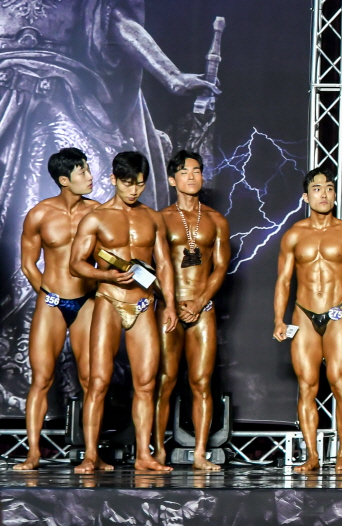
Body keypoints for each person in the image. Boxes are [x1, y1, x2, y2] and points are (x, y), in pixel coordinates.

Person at [0, 0, 216, 409]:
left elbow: (118, 23)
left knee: (93, 188)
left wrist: (173, 77)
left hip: (63, 88)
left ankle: (79, 351)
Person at [68, 151, 179, 473]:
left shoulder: (153, 218)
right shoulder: (96, 217)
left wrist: (170, 304)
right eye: (128, 184)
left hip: (143, 303)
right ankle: (91, 456)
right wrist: (108, 276)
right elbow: (75, 265)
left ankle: (144, 455)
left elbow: (164, 265)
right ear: (113, 179)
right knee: (98, 381)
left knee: (146, 383)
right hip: (108, 300)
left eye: (140, 184)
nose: (134, 191)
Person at [272, 165, 342, 473]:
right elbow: (283, 281)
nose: (324, 194)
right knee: (307, 386)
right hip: (303, 315)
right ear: (306, 197)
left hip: (337, 313)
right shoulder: (294, 235)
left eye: (329, 189)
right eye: (317, 189)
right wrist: (278, 319)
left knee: (340, 382)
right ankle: (312, 456)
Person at [16, 149, 97, 471]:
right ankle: (33, 453)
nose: (89, 177)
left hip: (87, 301)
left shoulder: (97, 212)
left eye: (88, 170)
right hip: (51, 302)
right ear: (64, 180)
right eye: (82, 172)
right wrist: (48, 294)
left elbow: (108, 258)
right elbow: (28, 264)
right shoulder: (40, 214)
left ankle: (92, 454)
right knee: (42, 378)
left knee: (91, 379)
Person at [152, 150, 230, 470]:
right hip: (168, 309)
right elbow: (153, 268)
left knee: (201, 382)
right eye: (184, 172)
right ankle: (158, 451)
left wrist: (199, 302)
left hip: (203, 308)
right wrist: (172, 303)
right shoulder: (160, 218)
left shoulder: (216, 220)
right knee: (165, 380)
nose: (192, 177)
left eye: (197, 171)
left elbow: (221, 267)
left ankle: (200, 454)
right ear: (173, 180)